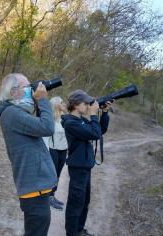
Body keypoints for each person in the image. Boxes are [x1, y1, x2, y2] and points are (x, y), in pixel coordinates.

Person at [0, 73, 57, 236]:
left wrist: (37, 101)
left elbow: (40, 125)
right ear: (14, 92)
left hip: (36, 186)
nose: (31, 90)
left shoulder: (16, 113)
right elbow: (48, 127)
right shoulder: (11, 114)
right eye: (27, 87)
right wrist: (42, 99)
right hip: (33, 187)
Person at [61, 90, 111, 236]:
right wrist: (94, 114)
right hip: (78, 168)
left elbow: (100, 131)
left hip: (85, 166)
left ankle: (79, 230)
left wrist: (105, 113)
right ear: (76, 105)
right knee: (76, 202)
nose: (88, 106)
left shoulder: (80, 120)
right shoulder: (70, 122)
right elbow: (94, 134)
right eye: (86, 103)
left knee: (84, 201)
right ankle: (72, 233)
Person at [43, 96, 68, 211]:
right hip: (53, 150)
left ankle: (52, 195)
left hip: (63, 150)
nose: (64, 104)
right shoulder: (50, 120)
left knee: (58, 174)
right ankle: (48, 197)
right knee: (52, 174)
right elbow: (45, 137)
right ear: (56, 105)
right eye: (62, 102)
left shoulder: (65, 119)